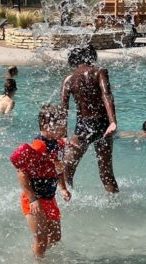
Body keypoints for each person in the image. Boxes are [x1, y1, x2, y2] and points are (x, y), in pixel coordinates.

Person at [10, 103, 71, 259]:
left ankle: (39, 255)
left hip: (50, 199)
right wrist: (33, 199)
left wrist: (63, 187)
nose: (64, 128)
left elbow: (58, 169)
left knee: (55, 238)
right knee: (41, 240)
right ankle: (39, 258)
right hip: (34, 201)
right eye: (60, 124)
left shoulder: (58, 144)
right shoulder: (38, 146)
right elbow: (21, 173)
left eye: (64, 123)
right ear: (45, 125)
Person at [61, 45, 119, 193]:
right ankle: (116, 206)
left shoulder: (68, 79)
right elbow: (106, 95)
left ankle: (68, 200)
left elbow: (64, 110)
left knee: (67, 170)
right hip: (103, 124)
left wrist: (62, 136)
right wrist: (112, 122)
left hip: (83, 126)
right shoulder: (99, 71)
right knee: (106, 172)